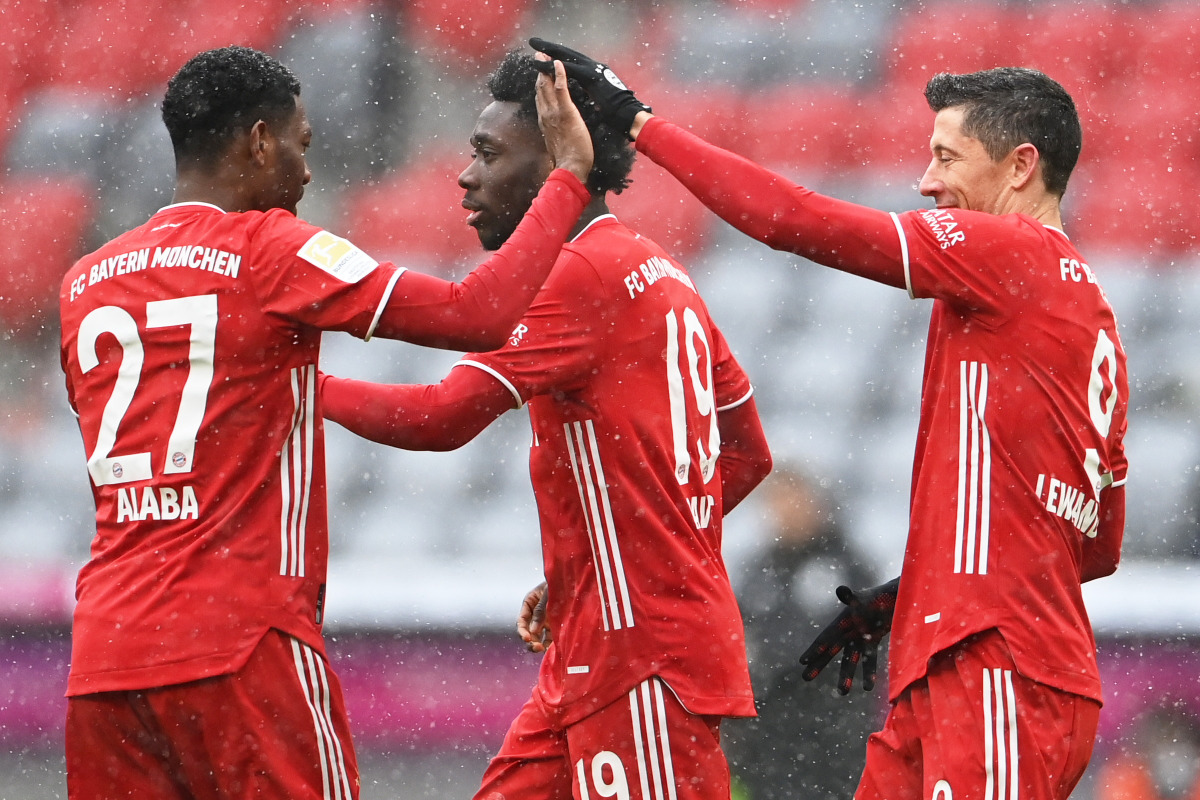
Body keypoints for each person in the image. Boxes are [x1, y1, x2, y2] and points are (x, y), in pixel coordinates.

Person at [529, 39, 1130, 800]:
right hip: (962, 660)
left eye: (947, 158)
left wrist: (639, 125)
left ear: (1020, 165)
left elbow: (791, 219)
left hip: (1001, 671)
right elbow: (1096, 543)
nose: (925, 180)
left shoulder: (1013, 251)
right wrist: (930, 583)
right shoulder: (1092, 315)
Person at [57, 45, 593, 799]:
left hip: (105, 659)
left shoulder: (85, 280)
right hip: (242, 643)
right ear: (258, 142)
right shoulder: (269, 248)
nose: (307, 176)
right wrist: (568, 177)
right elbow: (479, 315)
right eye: (302, 147)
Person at [319, 50, 773, 800]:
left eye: (489, 153)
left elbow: (443, 416)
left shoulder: (581, 273)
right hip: (602, 650)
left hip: (642, 662)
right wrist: (606, 565)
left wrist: (298, 387)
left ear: (562, 155)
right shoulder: (659, 267)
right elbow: (747, 455)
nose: (466, 176)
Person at [722, 465, 881, 800]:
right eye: (776, 502)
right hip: (770, 743)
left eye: (792, 498)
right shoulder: (757, 571)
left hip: (834, 737)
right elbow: (741, 643)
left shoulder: (850, 566)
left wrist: (781, 665)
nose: (785, 511)